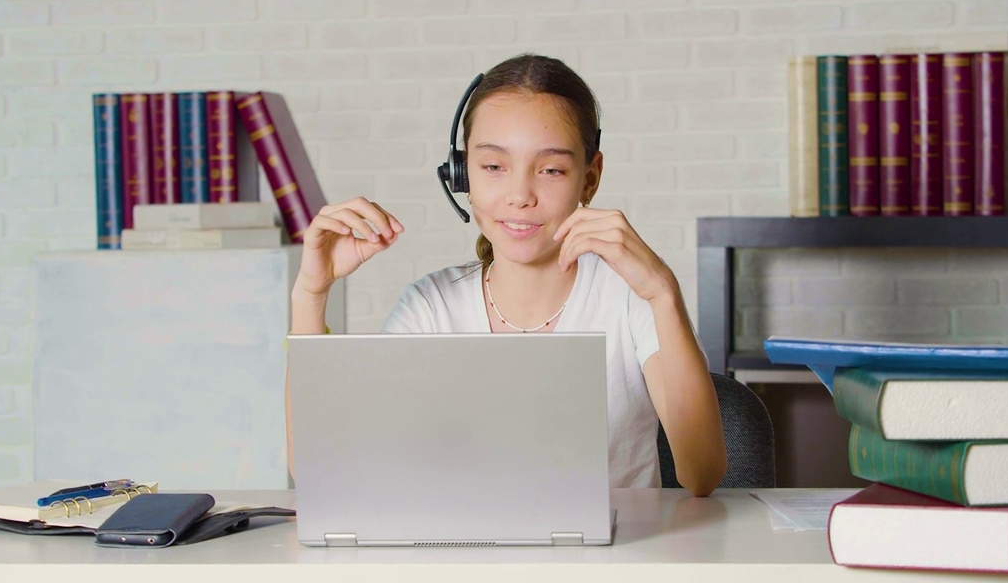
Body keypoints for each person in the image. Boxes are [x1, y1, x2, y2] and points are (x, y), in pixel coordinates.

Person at [288, 53, 727, 496]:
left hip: (617, 557)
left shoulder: (632, 299)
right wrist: (310, 294)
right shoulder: (431, 307)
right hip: (464, 557)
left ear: (589, 179)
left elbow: (702, 474)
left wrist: (663, 292)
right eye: (494, 167)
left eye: (551, 169)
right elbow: (316, 473)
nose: (520, 196)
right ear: (461, 175)